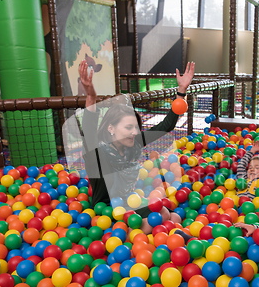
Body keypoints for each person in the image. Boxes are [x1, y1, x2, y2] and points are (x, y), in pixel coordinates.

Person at [79, 60, 195, 234]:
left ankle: (157, 240)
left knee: (176, 217)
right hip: (107, 209)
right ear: (111, 128)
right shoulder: (97, 152)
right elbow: (88, 129)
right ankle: (128, 239)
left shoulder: (132, 144)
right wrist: (91, 97)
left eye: (135, 127)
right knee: (162, 214)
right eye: (128, 128)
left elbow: (165, 127)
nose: (134, 132)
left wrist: (181, 92)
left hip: (129, 201)